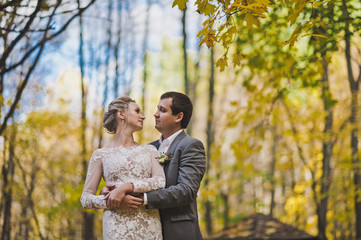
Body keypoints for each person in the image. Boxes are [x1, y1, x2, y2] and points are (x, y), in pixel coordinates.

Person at [102, 92, 206, 240]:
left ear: (178, 117)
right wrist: (111, 190)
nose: (155, 114)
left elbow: (186, 190)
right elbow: (135, 181)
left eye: (162, 110)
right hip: (146, 229)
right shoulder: (149, 148)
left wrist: (144, 198)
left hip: (178, 231)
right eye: (157, 109)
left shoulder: (191, 146)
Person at [80, 96, 166, 240]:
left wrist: (126, 187)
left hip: (148, 225)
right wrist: (114, 200)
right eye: (137, 111)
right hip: (116, 227)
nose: (143, 116)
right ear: (121, 114)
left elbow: (160, 181)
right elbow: (85, 198)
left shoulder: (150, 150)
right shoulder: (100, 154)